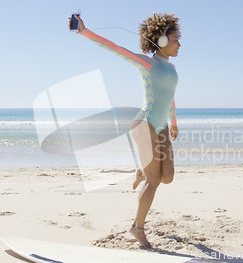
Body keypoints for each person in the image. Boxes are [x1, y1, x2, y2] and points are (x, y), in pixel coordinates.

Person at [69, 12, 181, 248]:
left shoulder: (172, 70)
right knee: (155, 180)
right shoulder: (147, 63)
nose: (178, 44)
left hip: (161, 126)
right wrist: (84, 31)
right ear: (161, 41)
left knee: (167, 177)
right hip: (145, 124)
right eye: (174, 39)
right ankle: (137, 228)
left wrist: (173, 122)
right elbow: (115, 47)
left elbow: (169, 95)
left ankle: (141, 170)